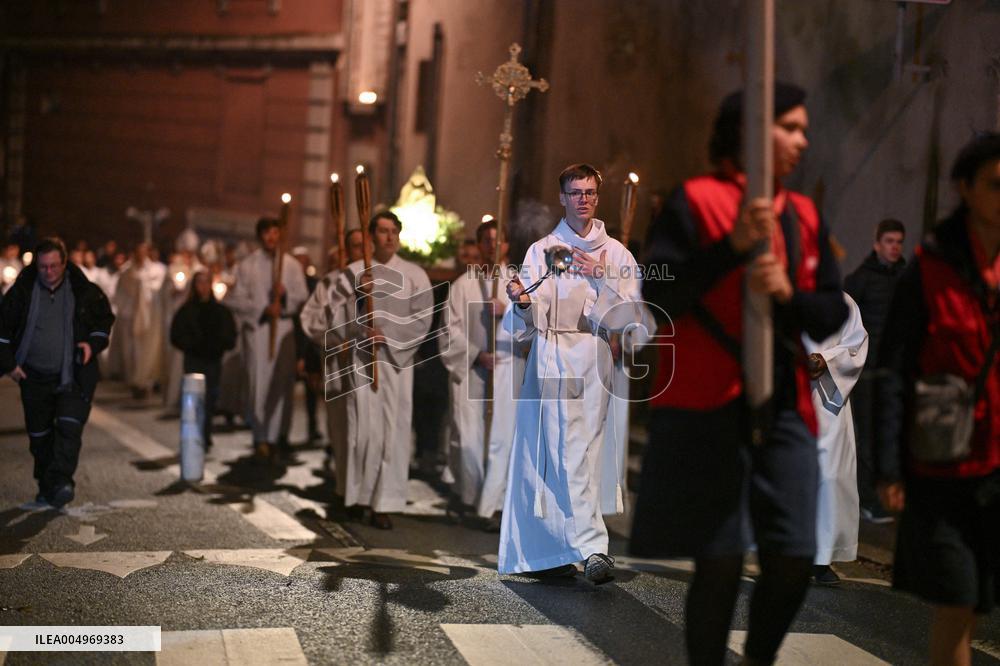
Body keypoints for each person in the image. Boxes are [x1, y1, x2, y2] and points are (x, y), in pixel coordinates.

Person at [631, 83, 848, 665]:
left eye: (805, 128)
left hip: (783, 405)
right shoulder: (694, 200)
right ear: (753, 130)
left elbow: (830, 311)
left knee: (795, 555)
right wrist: (730, 247)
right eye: (791, 127)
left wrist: (788, 297)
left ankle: (758, 658)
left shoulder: (802, 214)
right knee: (721, 558)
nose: (804, 140)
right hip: (710, 405)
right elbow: (656, 293)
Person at [877, 133, 1000, 666]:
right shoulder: (928, 271)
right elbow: (894, 373)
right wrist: (888, 470)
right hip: (944, 470)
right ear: (965, 189)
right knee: (956, 602)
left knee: (975, 607)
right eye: (996, 184)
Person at [498, 163, 649, 584]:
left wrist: (599, 277)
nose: (582, 198)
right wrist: (521, 301)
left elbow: (633, 317)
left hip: (593, 356)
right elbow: (527, 311)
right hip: (550, 354)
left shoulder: (618, 254)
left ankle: (582, 544)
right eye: (574, 192)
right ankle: (570, 549)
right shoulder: (542, 249)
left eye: (589, 192)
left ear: (597, 198)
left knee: (580, 449)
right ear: (562, 198)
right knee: (551, 451)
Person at [319, 212, 433, 529]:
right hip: (361, 361)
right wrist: (359, 323)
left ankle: (383, 502)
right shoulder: (352, 274)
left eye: (394, 231)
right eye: (383, 231)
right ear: (371, 236)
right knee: (362, 433)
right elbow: (334, 319)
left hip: (395, 365)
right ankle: (355, 496)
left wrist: (391, 336)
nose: (389, 237)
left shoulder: (414, 275)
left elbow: (423, 319)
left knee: (392, 433)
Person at [0, 237, 115, 508]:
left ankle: (61, 482)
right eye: (43, 267)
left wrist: (91, 343)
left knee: (68, 429)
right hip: (33, 375)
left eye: (54, 266)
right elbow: (3, 330)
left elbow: (103, 320)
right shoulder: (21, 293)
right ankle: (47, 483)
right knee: (40, 437)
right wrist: (9, 365)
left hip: (73, 373)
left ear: (64, 263)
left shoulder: (83, 290)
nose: (49, 273)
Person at [440, 220, 526, 529]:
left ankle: (496, 505)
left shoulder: (518, 282)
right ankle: (471, 496)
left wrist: (509, 311)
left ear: (506, 245)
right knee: (470, 439)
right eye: (486, 239)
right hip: (474, 371)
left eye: (497, 239)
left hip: (506, 371)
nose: (492, 245)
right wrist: (477, 355)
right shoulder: (463, 284)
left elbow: (535, 325)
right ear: (479, 245)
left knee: (502, 437)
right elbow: (449, 331)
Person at [227, 217, 309, 461]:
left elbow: (302, 296)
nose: (271, 237)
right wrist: (263, 308)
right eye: (267, 233)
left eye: (276, 232)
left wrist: (284, 298)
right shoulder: (247, 265)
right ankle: (260, 436)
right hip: (259, 332)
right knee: (258, 383)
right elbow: (236, 300)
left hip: (282, 330)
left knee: (280, 384)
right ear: (260, 236)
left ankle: (274, 437)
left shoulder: (291, 265)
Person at [844, 218, 906, 524]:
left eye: (899, 242)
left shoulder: (906, 278)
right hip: (867, 372)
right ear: (877, 244)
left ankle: (889, 493)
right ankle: (868, 499)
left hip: (894, 370)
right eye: (889, 241)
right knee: (866, 435)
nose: (895, 247)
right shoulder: (861, 279)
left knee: (892, 431)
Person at [803, 293, 867, 586]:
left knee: (829, 477)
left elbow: (856, 344)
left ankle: (821, 558)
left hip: (828, 399)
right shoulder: (782, 292)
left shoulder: (843, 302)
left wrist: (826, 361)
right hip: (791, 394)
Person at [301, 229, 366, 485]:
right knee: (340, 426)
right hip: (338, 365)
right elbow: (310, 320)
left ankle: (364, 489)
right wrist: (334, 338)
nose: (360, 252)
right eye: (355, 247)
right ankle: (343, 484)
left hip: (369, 366)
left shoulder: (383, 280)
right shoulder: (329, 283)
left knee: (366, 430)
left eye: (364, 246)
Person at [169, 271, 238, 450]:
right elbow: (176, 335)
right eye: (199, 282)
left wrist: (218, 346)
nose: (203, 286)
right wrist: (192, 345)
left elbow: (229, 335)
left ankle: (205, 434)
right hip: (194, 359)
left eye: (206, 282)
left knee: (210, 398)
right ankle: (193, 435)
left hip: (212, 360)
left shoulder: (220, 311)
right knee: (193, 398)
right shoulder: (186, 310)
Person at [114, 243, 167, 399]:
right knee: (131, 352)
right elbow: (120, 294)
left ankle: (146, 383)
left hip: (149, 319)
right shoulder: (126, 272)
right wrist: (126, 311)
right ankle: (134, 383)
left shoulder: (157, 271)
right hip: (131, 318)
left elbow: (158, 293)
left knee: (148, 351)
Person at [292, 246, 322, 443]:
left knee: (311, 388)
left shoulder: (315, 285)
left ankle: (313, 426)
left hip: (307, 341)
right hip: (290, 338)